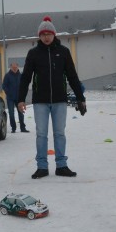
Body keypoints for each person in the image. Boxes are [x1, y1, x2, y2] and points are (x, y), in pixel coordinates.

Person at [18, 16, 86, 179]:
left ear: (54, 35)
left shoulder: (63, 52)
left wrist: (80, 97)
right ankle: (42, 167)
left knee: (59, 133)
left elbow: (72, 76)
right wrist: (21, 99)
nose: (46, 37)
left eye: (49, 33)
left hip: (59, 101)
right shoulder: (33, 53)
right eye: (43, 34)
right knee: (41, 134)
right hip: (40, 101)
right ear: (39, 36)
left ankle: (61, 165)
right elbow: (26, 77)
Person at [2, 62, 29, 133]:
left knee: (21, 113)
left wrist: (22, 96)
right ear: (10, 67)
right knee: (11, 113)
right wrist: (8, 93)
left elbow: (24, 86)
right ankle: (13, 128)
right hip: (10, 98)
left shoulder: (20, 75)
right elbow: (4, 86)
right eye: (13, 67)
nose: (14, 69)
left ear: (18, 67)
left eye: (16, 67)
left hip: (19, 98)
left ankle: (23, 128)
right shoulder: (7, 76)